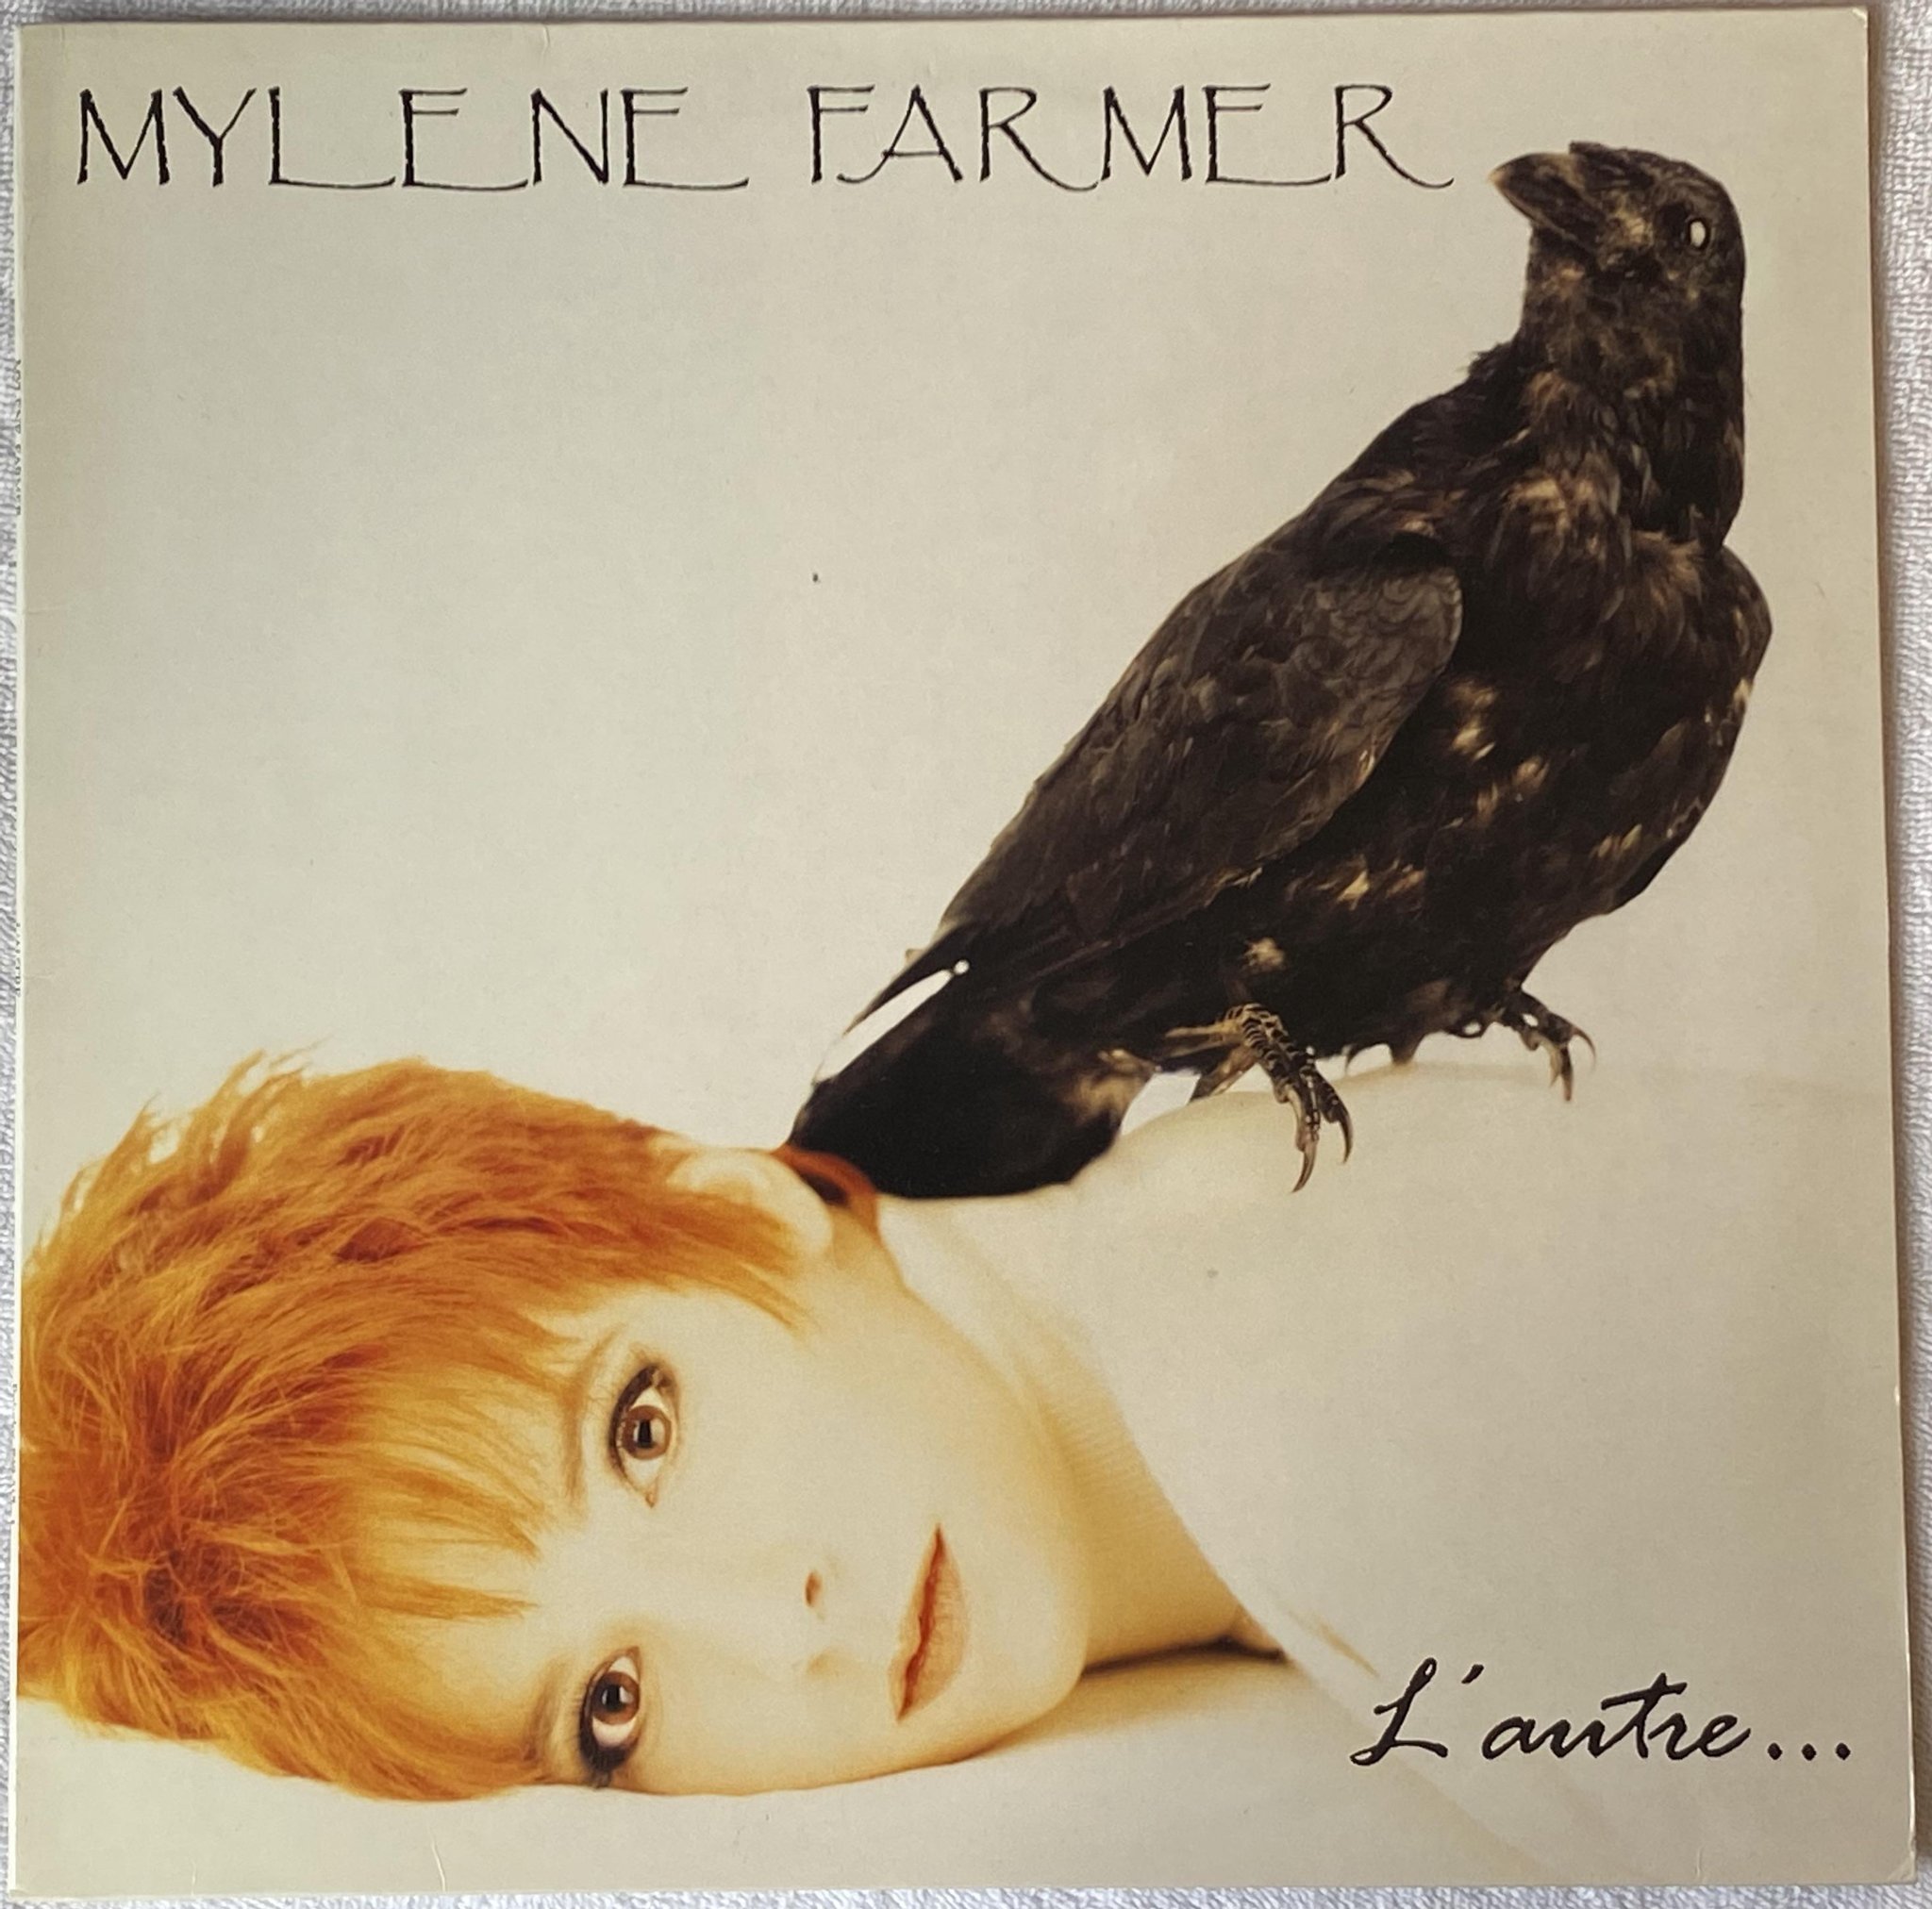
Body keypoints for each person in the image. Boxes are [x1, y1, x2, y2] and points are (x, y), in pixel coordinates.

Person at [17, 1048, 1905, 1880]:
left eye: (642, 1429)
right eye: (609, 1703)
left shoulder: (1314, 1326)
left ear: (736, 1206)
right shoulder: (1218, 1413)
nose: (781, 1627)